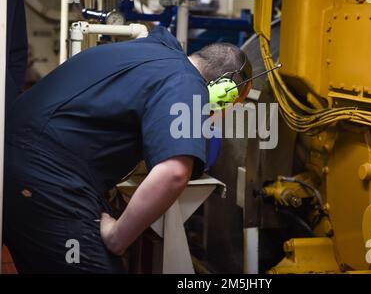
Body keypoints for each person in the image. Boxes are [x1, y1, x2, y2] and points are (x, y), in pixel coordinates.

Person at [3, 25, 251, 273]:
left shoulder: (151, 53)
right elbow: (174, 172)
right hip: (46, 175)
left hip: (17, 159)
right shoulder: (187, 81)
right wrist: (117, 236)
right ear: (223, 92)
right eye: (227, 104)